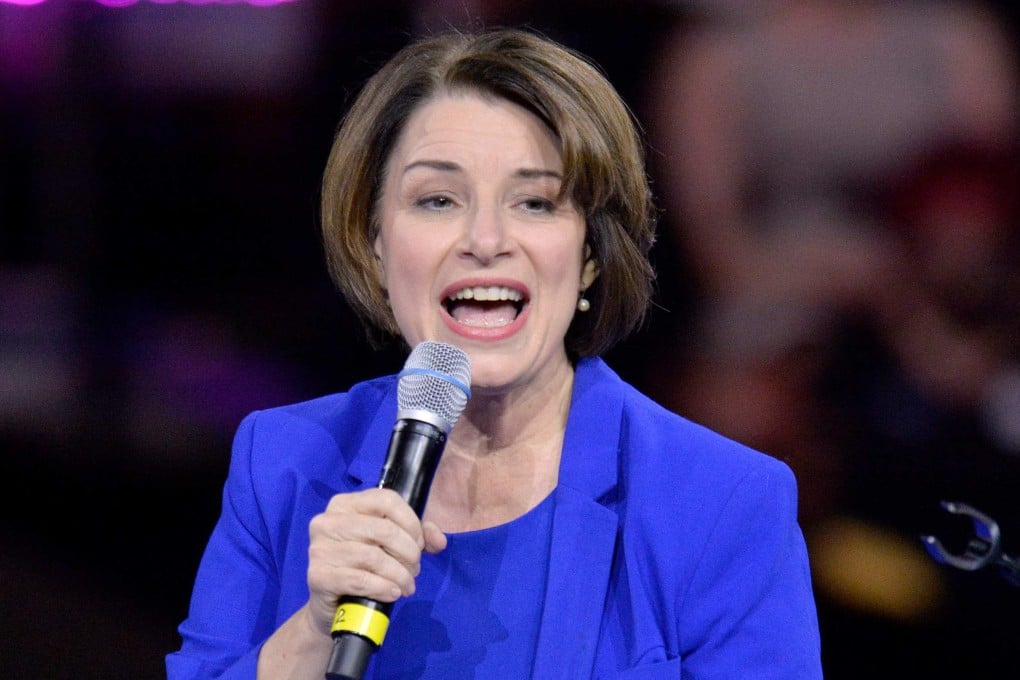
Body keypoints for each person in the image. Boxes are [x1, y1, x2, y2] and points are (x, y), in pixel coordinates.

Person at [166, 28, 822, 679]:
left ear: (590, 253)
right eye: (438, 200)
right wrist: (311, 632)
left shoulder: (722, 502)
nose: (485, 238)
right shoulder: (281, 463)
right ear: (374, 241)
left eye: (534, 202)